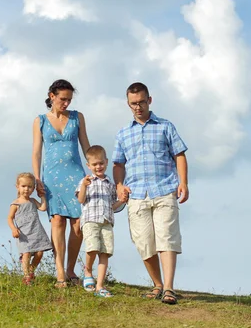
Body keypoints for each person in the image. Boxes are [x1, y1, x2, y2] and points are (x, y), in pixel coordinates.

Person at [112, 82, 189, 305]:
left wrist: (183, 182)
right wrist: (119, 185)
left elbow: (180, 155)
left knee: (166, 237)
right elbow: (118, 163)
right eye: (133, 104)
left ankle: (169, 288)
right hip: (136, 194)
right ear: (128, 104)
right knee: (144, 242)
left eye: (142, 102)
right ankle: (157, 284)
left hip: (165, 189)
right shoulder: (123, 133)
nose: (138, 107)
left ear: (149, 100)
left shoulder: (166, 126)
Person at [32, 79, 91, 288]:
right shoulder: (40, 121)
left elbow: (86, 146)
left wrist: (95, 169)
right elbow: (37, 152)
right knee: (57, 221)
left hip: (76, 175)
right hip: (52, 178)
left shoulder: (78, 117)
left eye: (69, 99)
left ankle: (70, 269)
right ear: (52, 96)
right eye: (62, 99)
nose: (66, 103)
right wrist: (37, 178)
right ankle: (59, 273)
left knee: (78, 225)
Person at [76, 145, 127, 298]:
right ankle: (88, 271)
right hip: (91, 220)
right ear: (89, 166)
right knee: (92, 248)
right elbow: (81, 199)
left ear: (106, 162)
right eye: (94, 164)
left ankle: (100, 285)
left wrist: (122, 201)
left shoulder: (109, 184)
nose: (98, 167)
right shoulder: (85, 181)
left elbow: (113, 206)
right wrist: (84, 186)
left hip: (106, 221)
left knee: (105, 252)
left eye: (101, 163)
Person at [7, 172, 52, 285]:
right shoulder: (15, 204)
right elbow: (9, 218)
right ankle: (27, 277)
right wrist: (13, 229)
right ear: (17, 187)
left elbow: (42, 208)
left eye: (29, 186)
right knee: (26, 253)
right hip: (24, 234)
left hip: (36, 231)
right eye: (23, 186)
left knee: (40, 253)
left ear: (33, 188)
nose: (26, 189)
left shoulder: (32, 201)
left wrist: (42, 195)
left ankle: (31, 270)